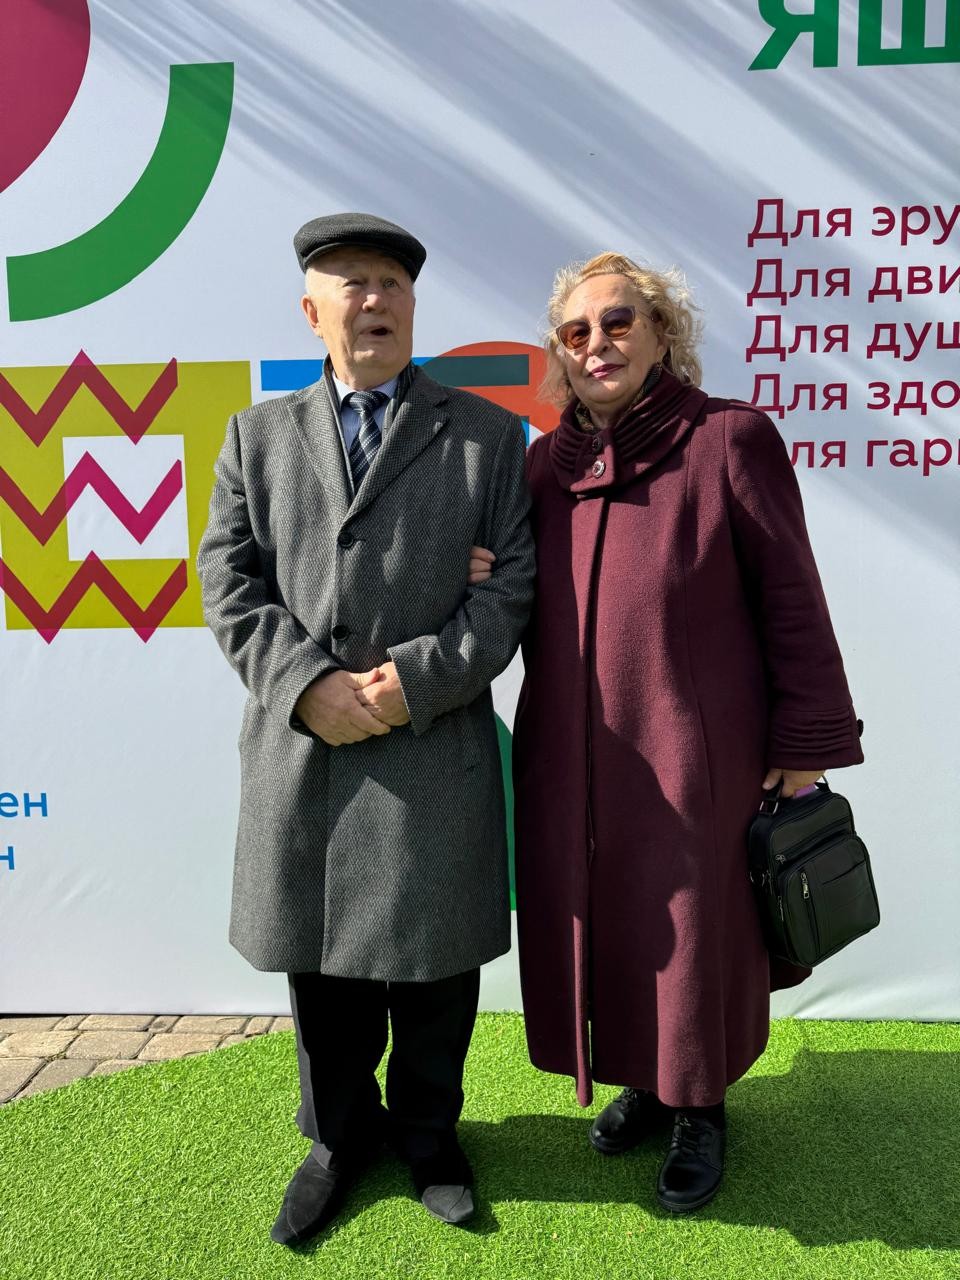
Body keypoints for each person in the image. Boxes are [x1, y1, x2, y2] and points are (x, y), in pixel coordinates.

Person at [472, 251, 863, 1213]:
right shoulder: (541, 468)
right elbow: (519, 602)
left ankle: (701, 1107)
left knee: (693, 928)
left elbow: (793, 602)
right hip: (570, 757)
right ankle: (645, 1083)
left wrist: (803, 747)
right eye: (576, 332)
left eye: (619, 321)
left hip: (697, 754)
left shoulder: (729, 439)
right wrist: (476, 578)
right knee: (608, 921)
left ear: (661, 333)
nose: (597, 343)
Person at [197, 212, 534, 1245]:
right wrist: (308, 686)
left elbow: (511, 589)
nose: (374, 299)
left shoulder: (486, 436)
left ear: (414, 306)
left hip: (430, 741)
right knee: (325, 966)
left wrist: (406, 684)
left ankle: (431, 1138)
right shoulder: (256, 436)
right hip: (309, 748)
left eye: (391, 281)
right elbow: (228, 582)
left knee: (436, 969)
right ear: (313, 311)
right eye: (350, 281)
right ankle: (337, 1141)